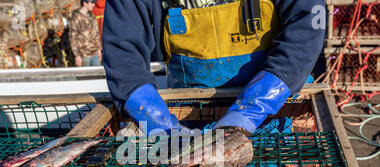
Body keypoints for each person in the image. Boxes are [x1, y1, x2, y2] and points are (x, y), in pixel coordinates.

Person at [102, 0, 325, 140]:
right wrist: (160, 125)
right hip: (187, 118)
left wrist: (249, 111)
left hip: (274, 112)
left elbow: (306, 28)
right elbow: (123, 54)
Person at [69, 0, 102, 67]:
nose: (93, 5)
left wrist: (99, 50)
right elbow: (72, 38)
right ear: (85, 3)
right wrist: (77, 56)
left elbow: (96, 34)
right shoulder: (76, 18)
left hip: (95, 54)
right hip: (83, 56)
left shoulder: (92, 16)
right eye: (92, 3)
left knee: (97, 76)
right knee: (85, 77)